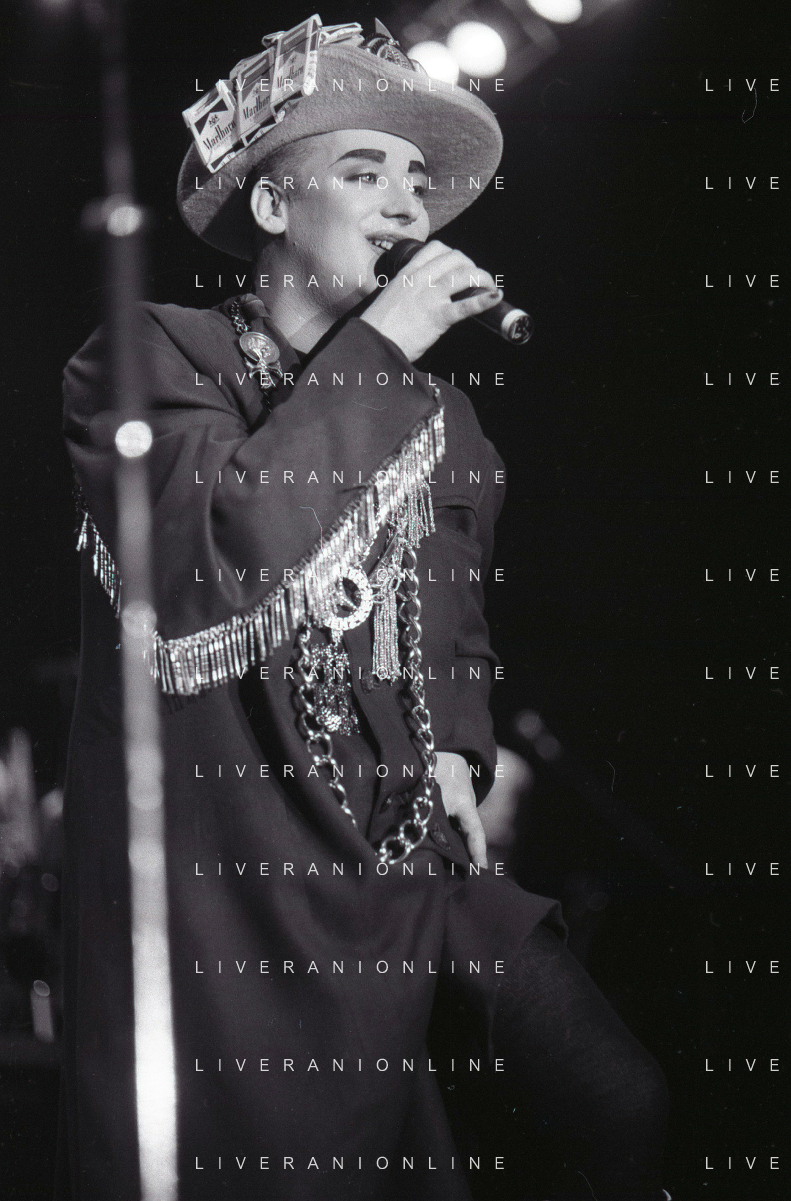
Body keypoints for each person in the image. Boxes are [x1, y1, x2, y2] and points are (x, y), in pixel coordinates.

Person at [60, 17, 669, 1201]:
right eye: (362, 170)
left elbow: (453, 617)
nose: (404, 205)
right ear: (272, 205)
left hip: (401, 847)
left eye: (415, 182)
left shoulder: (436, 414)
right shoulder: (150, 357)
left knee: (617, 1097)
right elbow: (212, 562)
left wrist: (454, 750)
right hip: (241, 861)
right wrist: (380, 347)